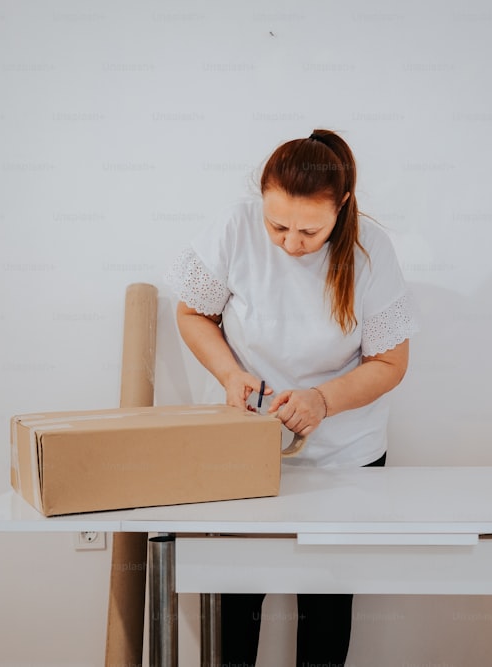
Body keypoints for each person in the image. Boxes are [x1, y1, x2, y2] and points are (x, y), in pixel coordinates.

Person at [166, 129, 419, 667]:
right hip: (246, 445)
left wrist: (323, 401)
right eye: (277, 224)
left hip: (346, 453)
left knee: (325, 607)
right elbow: (192, 315)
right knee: (237, 602)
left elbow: (391, 363)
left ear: (342, 207)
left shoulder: (371, 252)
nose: (290, 242)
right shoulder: (235, 227)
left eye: (310, 230)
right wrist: (231, 375)